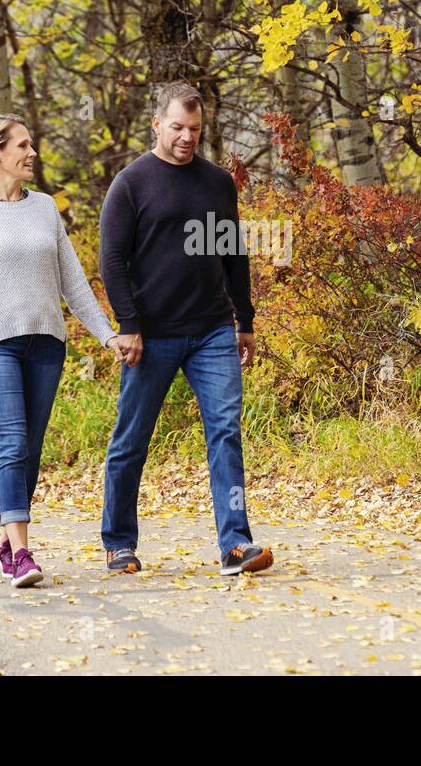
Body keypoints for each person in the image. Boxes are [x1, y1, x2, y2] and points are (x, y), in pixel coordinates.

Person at [0, 113, 129, 588]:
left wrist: (107, 334)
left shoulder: (44, 207)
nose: (31, 153)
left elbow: (73, 281)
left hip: (46, 341)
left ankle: (5, 537)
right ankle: (21, 554)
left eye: (31, 144)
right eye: (22, 145)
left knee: (32, 449)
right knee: (12, 442)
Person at [99, 81, 273, 576]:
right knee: (133, 437)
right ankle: (118, 542)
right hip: (151, 335)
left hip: (212, 331)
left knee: (225, 432)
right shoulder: (131, 184)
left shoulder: (217, 182)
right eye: (177, 127)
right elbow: (112, 260)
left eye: (194, 129)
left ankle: (235, 544)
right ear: (157, 124)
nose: (186, 137)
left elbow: (232, 253)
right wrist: (128, 324)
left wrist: (245, 320)